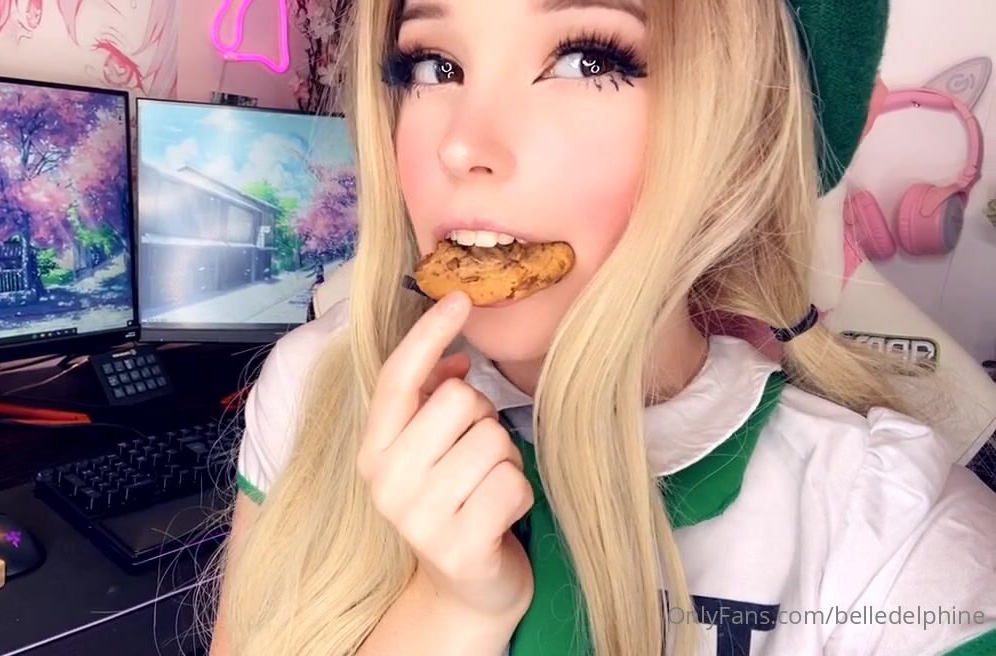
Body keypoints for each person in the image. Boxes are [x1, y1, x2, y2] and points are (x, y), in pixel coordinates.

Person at [208, 2, 996, 655]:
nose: (462, 144)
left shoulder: (896, 536)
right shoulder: (318, 384)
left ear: (740, 136)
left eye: (588, 59)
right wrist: (450, 612)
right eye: (432, 66)